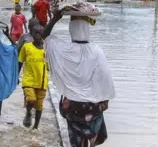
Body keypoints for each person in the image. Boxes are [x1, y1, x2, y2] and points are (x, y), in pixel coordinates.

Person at [43, 9, 115, 147]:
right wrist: (104, 100)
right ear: (87, 29)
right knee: (91, 137)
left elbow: (45, 36)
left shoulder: (64, 49)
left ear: (71, 29)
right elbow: (104, 77)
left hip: (72, 106)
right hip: (92, 107)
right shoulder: (96, 50)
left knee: (76, 141)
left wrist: (55, 19)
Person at [18, 24, 48, 130]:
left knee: (39, 106)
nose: (38, 35)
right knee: (31, 100)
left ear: (44, 34)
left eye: (40, 33)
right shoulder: (26, 47)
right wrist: (16, 76)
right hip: (29, 79)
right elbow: (20, 62)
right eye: (36, 33)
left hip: (42, 81)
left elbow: (51, 65)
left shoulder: (46, 49)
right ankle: (28, 112)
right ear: (32, 34)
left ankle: (35, 127)